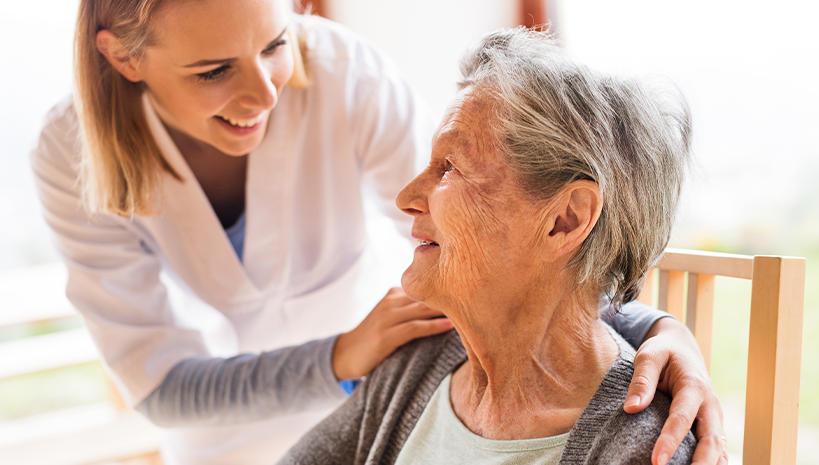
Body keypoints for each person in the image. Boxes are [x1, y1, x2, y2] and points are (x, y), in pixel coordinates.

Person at [30, 1, 725, 464]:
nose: (267, 92)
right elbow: (161, 385)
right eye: (213, 70)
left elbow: (514, 241)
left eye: (276, 43)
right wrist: (344, 358)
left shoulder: (342, 73)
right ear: (124, 58)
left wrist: (652, 324)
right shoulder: (69, 154)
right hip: (247, 427)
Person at [279, 28, 706, 465]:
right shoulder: (419, 361)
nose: (407, 197)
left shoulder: (642, 448)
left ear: (565, 221)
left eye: (449, 168)